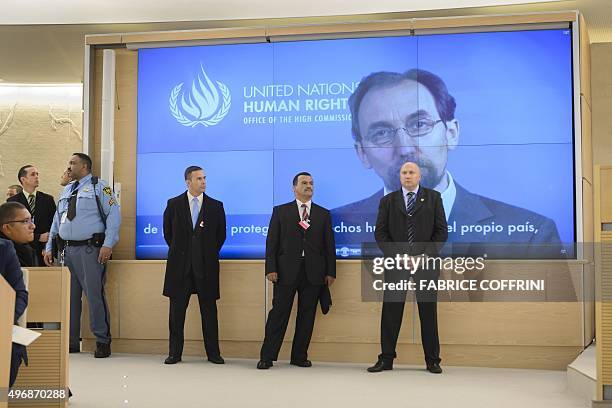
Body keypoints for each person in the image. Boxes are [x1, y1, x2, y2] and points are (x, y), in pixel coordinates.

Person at [331, 69, 562, 258]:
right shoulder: (332, 229)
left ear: (451, 133)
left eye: (420, 124)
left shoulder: (531, 235)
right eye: (381, 133)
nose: (405, 148)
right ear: (362, 153)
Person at [367, 162, 447, 374]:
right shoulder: (388, 201)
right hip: (396, 264)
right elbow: (380, 234)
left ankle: (432, 360)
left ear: (419, 176)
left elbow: (441, 233)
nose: (408, 175)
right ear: (399, 176)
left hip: (426, 264)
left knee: (428, 312)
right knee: (391, 312)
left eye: (412, 172)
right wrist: (399, 256)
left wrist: (423, 256)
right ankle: (386, 359)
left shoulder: (434, 198)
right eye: (404, 172)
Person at [43, 153, 121, 358]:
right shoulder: (67, 190)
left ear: (85, 166)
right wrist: (50, 245)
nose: (69, 166)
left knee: (94, 296)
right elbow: (57, 220)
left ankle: (102, 341)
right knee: (69, 299)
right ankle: (70, 342)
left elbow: (114, 215)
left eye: (73, 163)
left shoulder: (100, 186)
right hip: (66, 251)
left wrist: (108, 244)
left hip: (90, 250)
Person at [257, 172, 336, 369]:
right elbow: (271, 243)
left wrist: (330, 272)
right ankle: (267, 356)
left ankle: (299, 356)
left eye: (311, 183)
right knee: (279, 314)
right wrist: (271, 268)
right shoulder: (281, 212)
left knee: (307, 315)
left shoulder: (323, 214)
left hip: (314, 273)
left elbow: (329, 246)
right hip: (284, 272)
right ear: (294, 188)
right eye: (304, 183)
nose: (308, 186)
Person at [162, 166, 226, 365]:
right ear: (188, 182)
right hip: (179, 267)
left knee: (209, 312)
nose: (203, 182)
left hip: (206, 267)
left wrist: (205, 253)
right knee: (176, 313)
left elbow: (220, 236)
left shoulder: (216, 206)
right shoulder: (173, 204)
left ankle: (213, 354)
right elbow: (168, 234)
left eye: (205, 178)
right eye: (199, 178)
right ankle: (175, 353)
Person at [7, 165, 56, 266]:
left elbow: (53, 224)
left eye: (37, 174)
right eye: (33, 174)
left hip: (43, 250)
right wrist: (37, 237)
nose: (37, 177)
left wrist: (48, 247)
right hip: (21, 250)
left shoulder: (48, 199)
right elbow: (13, 229)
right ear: (23, 179)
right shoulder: (13, 201)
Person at [0, 232, 28, 387]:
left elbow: (20, 294)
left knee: (12, 349)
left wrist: (6, 318)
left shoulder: (4, 248)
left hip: (2, 321)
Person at [0, 202, 36, 267]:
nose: (33, 226)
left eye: (31, 220)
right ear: (7, 228)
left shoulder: (24, 249)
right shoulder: (4, 254)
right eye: (25, 221)